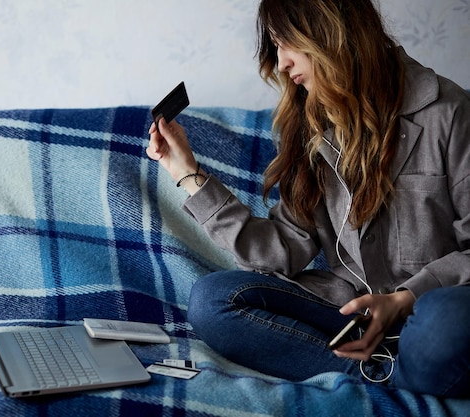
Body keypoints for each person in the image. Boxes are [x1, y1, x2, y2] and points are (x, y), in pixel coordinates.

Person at [146, 0, 470, 398]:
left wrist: (405, 299)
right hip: (349, 316)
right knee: (213, 300)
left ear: (328, 34)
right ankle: (376, 375)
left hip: (429, 312)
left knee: (446, 323)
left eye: (286, 44)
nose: (281, 64)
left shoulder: (449, 112)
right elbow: (279, 253)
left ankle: (403, 369)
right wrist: (187, 173)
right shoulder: (309, 124)